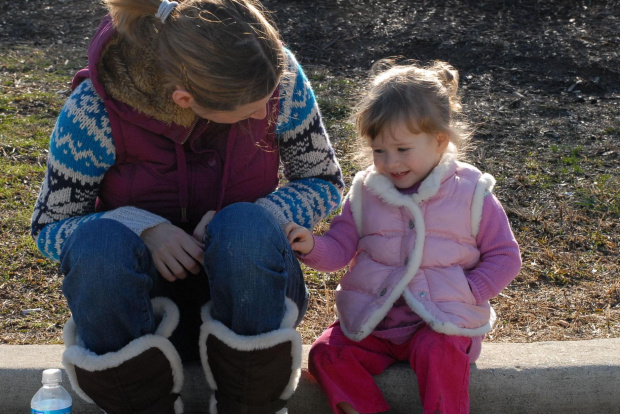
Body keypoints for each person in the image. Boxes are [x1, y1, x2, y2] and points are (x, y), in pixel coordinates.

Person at [30, 0, 344, 412]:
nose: (266, 111)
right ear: (184, 99)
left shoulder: (275, 76)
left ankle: (252, 404)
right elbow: (51, 226)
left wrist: (249, 219)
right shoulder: (94, 112)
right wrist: (142, 227)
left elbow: (323, 181)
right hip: (141, 308)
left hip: (255, 295)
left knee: (245, 225)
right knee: (98, 243)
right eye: (252, 109)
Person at [284, 60, 522, 414]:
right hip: (376, 322)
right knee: (326, 354)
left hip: (441, 322)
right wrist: (312, 246)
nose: (390, 162)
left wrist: (470, 291)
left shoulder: (471, 193)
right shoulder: (367, 192)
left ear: (439, 141)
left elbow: (505, 256)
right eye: (379, 151)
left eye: (402, 150)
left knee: (437, 351)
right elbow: (340, 247)